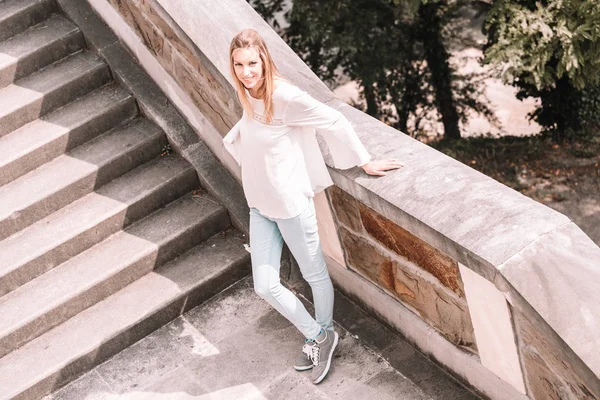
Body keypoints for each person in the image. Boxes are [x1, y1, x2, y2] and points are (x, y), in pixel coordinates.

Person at [223, 28, 403, 385]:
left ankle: (320, 335)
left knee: (314, 274)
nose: (246, 72)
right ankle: (321, 336)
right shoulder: (247, 93)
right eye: (239, 64)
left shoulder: (285, 97)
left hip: (290, 205)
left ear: (264, 61)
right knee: (264, 285)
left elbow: (334, 119)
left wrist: (364, 161)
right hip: (259, 206)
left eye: (252, 63)